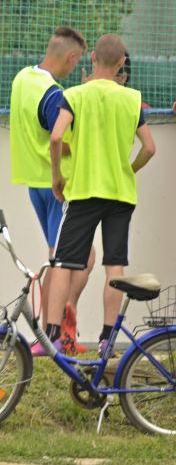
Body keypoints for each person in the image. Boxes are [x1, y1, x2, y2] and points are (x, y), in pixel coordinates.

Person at [48, 34, 156, 357]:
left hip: (83, 192)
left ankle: (52, 334)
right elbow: (150, 148)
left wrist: (57, 176)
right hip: (120, 195)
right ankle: (108, 337)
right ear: (121, 63)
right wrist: (129, 170)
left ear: (92, 57)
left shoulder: (75, 95)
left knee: (63, 262)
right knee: (114, 265)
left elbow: (56, 137)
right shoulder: (132, 98)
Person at [9, 26, 93, 355]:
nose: (76, 66)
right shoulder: (53, 94)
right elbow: (59, 140)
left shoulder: (23, 79)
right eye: (77, 60)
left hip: (34, 183)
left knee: (77, 256)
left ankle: (55, 327)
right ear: (71, 57)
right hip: (57, 185)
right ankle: (53, 334)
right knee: (64, 260)